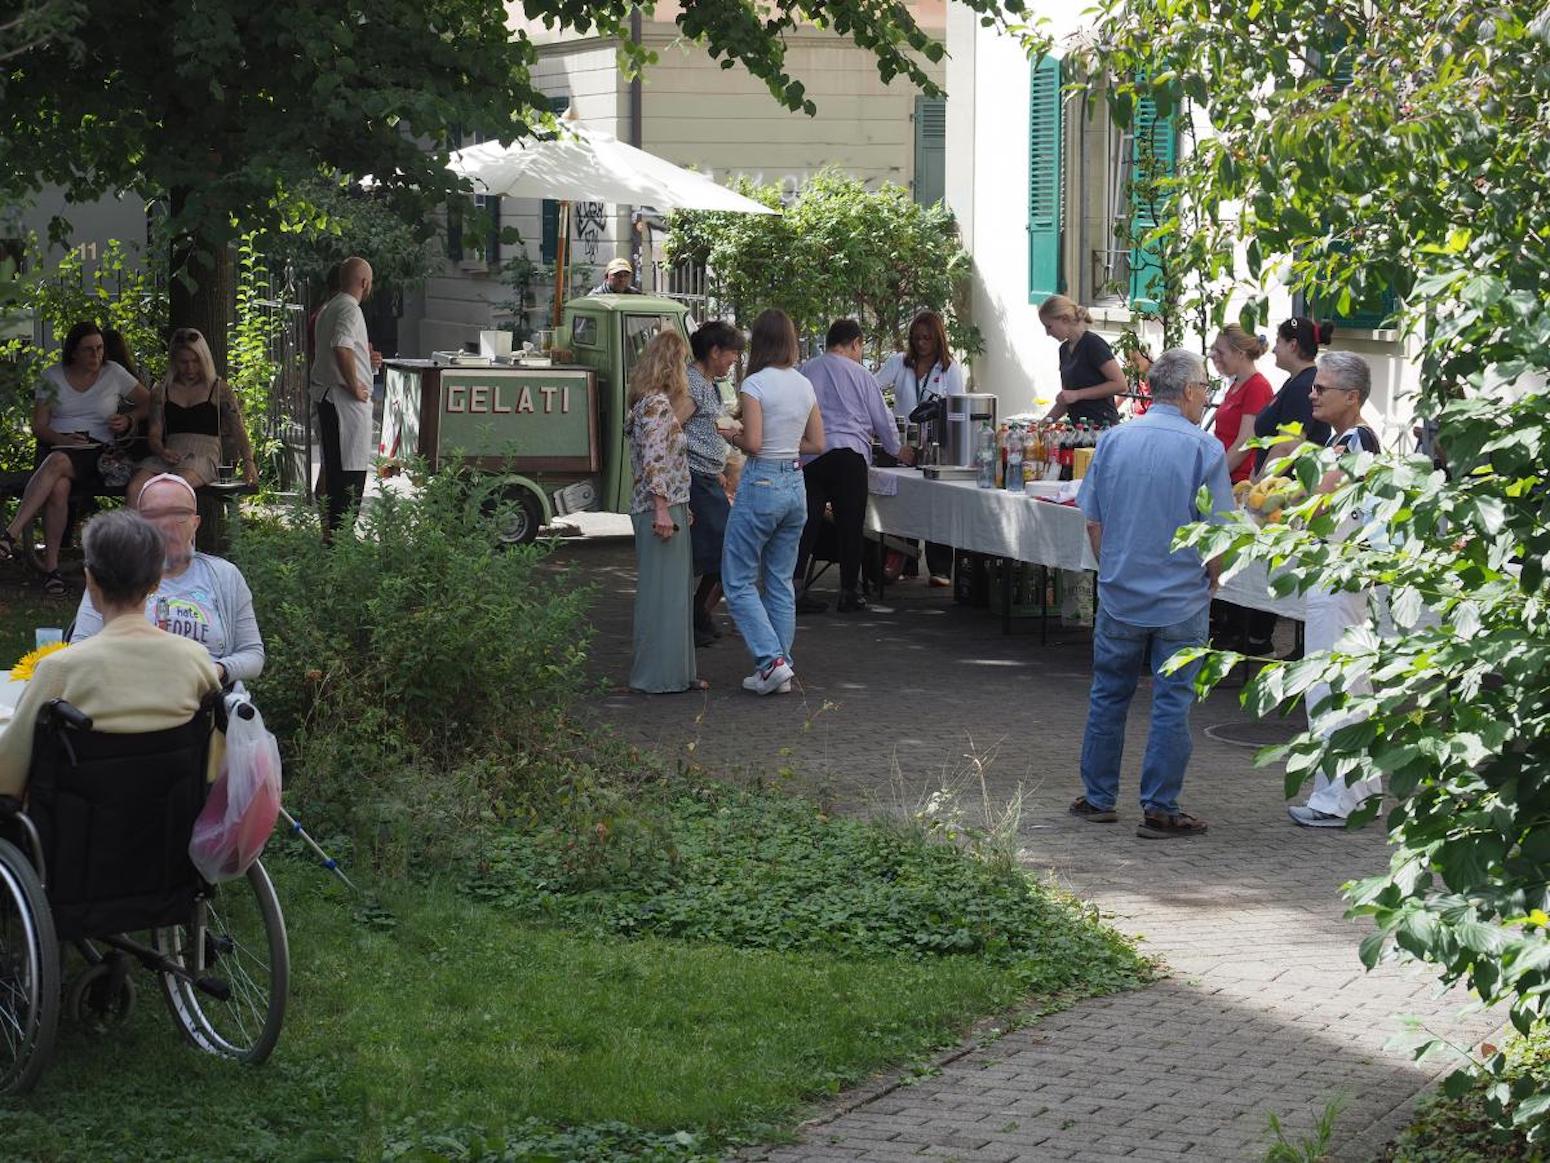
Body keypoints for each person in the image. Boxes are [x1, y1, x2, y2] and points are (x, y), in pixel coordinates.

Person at [1070, 348, 1234, 839]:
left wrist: (1113, 569)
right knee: (1171, 703)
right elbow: (1217, 532)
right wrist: (1213, 577)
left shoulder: (1114, 440)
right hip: (1180, 599)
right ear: (1187, 391)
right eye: (1204, 387)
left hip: (1121, 593)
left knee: (1108, 696)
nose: (1206, 396)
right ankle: (1161, 807)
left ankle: (1098, 798)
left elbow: (1093, 521)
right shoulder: (1204, 449)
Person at [0, 510, 221, 798]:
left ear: (90, 580)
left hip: (74, 837)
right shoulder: (196, 662)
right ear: (156, 582)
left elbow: (7, 778)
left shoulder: (59, 670)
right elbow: (213, 770)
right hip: (171, 835)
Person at [1287, 350, 1383, 829]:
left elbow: (1318, 506)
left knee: (1331, 687)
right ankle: (1356, 793)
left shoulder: (1354, 441)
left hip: (1339, 574)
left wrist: (1271, 504)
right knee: (1345, 683)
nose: (1312, 393)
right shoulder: (1348, 439)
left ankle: (1337, 800)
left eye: (1321, 388)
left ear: (1352, 395)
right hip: (1341, 574)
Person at [0, 321, 150, 595]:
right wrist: (62, 440)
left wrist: (129, 419)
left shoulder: (113, 373)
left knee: (57, 465)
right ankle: (52, 570)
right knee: (58, 486)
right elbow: (39, 425)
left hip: (96, 451)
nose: (96, 356)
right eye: (89, 350)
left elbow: (149, 402)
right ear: (73, 352)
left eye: (100, 348)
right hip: (58, 447)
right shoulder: (52, 376)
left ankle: (10, 535)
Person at [71, 474, 265, 685]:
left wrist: (216, 671)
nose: (165, 524)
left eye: (179, 513)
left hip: (206, 701)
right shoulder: (115, 571)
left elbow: (252, 653)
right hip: (128, 695)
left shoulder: (225, 576)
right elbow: (81, 646)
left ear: (195, 523)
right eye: (153, 514)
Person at [722, 308, 825, 695]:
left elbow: (752, 444)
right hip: (795, 483)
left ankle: (770, 661)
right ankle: (782, 666)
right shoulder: (804, 385)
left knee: (738, 579)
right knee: (780, 580)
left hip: (761, 482)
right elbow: (818, 443)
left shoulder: (755, 385)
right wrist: (785, 445)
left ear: (759, 343)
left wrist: (730, 433)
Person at [794, 319, 915, 613]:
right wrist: (897, 450)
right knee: (850, 524)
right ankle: (849, 590)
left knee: (806, 523)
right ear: (855, 343)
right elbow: (882, 419)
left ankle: (794, 588)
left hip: (812, 454)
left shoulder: (805, 371)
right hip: (849, 456)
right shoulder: (862, 375)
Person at [625, 330, 704, 694]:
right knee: (664, 597)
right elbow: (656, 460)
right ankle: (660, 677)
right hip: (660, 507)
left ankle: (674, 673)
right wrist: (663, 508)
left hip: (667, 504)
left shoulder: (646, 402)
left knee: (669, 595)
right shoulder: (656, 405)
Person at [128, 328, 259, 506]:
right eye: (183, 362)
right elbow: (154, 433)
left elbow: (238, 429)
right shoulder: (161, 390)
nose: (190, 368)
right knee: (136, 487)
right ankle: (133, 533)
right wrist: (161, 450)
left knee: (173, 487)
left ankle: (171, 531)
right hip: (170, 453)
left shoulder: (219, 389)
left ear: (204, 359)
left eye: (195, 361)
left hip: (204, 456)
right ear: (174, 361)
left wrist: (248, 461)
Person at [877, 309, 962, 585]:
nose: (922, 343)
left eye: (927, 338)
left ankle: (940, 568)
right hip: (904, 442)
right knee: (905, 500)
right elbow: (870, 387)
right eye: (916, 338)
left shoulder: (950, 369)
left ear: (938, 339)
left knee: (937, 502)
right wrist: (885, 421)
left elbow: (956, 406)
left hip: (936, 443)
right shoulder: (898, 363)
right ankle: (907, 562)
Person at [308, 256, 380, 540]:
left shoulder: (330, 307)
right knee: (348, 477)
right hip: (343, 404)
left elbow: (340, 349)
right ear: (364, 282)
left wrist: (367, 360)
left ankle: (334, 538)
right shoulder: (350, 309)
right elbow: (341, 347)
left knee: (337, 472)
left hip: (330, 398)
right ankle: (339, 542)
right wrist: (354, 385)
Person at [684, 321, 745, 647]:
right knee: (723, 552)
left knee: (724, 552)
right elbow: (671, 427)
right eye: (732, 352)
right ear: (715, 351)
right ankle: (693, 616)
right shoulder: (693, 383)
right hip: (696, 479)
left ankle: (699, 613)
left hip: (708, 475)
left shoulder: (707, 383)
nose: (734, 358)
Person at [1255, 317, 1333, 474]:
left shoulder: (1302, 387)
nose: (1273, 349)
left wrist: (1259, 485)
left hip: (1285, 490)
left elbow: (1287, 445)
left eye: (1278, 342)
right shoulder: (1295, 381)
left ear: (1292, 345)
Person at [1039, 294, 1125, 427]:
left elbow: (1120, 384)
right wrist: (1040, 426)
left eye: (1049, 327)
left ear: (1064, 319)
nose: (1047, 333)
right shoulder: (1064, 350)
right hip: (1076, 429)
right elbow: (1068, 398)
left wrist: (1078, 394)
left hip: (1100, 427)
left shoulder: (1093, 344)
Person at [1207, 325, 1275, 483]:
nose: (1214, 356)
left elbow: (1246, 441)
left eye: (1221, 352)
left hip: (1237, 480)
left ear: (1240, 353)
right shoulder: (1236, 384)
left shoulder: (1257, 386)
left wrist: (1213, 475)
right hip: (1226, 474)